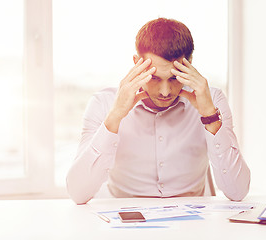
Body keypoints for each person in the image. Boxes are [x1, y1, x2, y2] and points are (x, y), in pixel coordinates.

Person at [66, 18, 250, 204]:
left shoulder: (212, 101)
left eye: (174, 78)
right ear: (137, 63)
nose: (165, 91)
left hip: (193, 225)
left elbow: (238, 191)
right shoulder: (104, 103)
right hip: (125, 225)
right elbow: (78, 193)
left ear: (189, 64)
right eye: (153, 78)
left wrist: (210, 116)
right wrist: (115, 117)